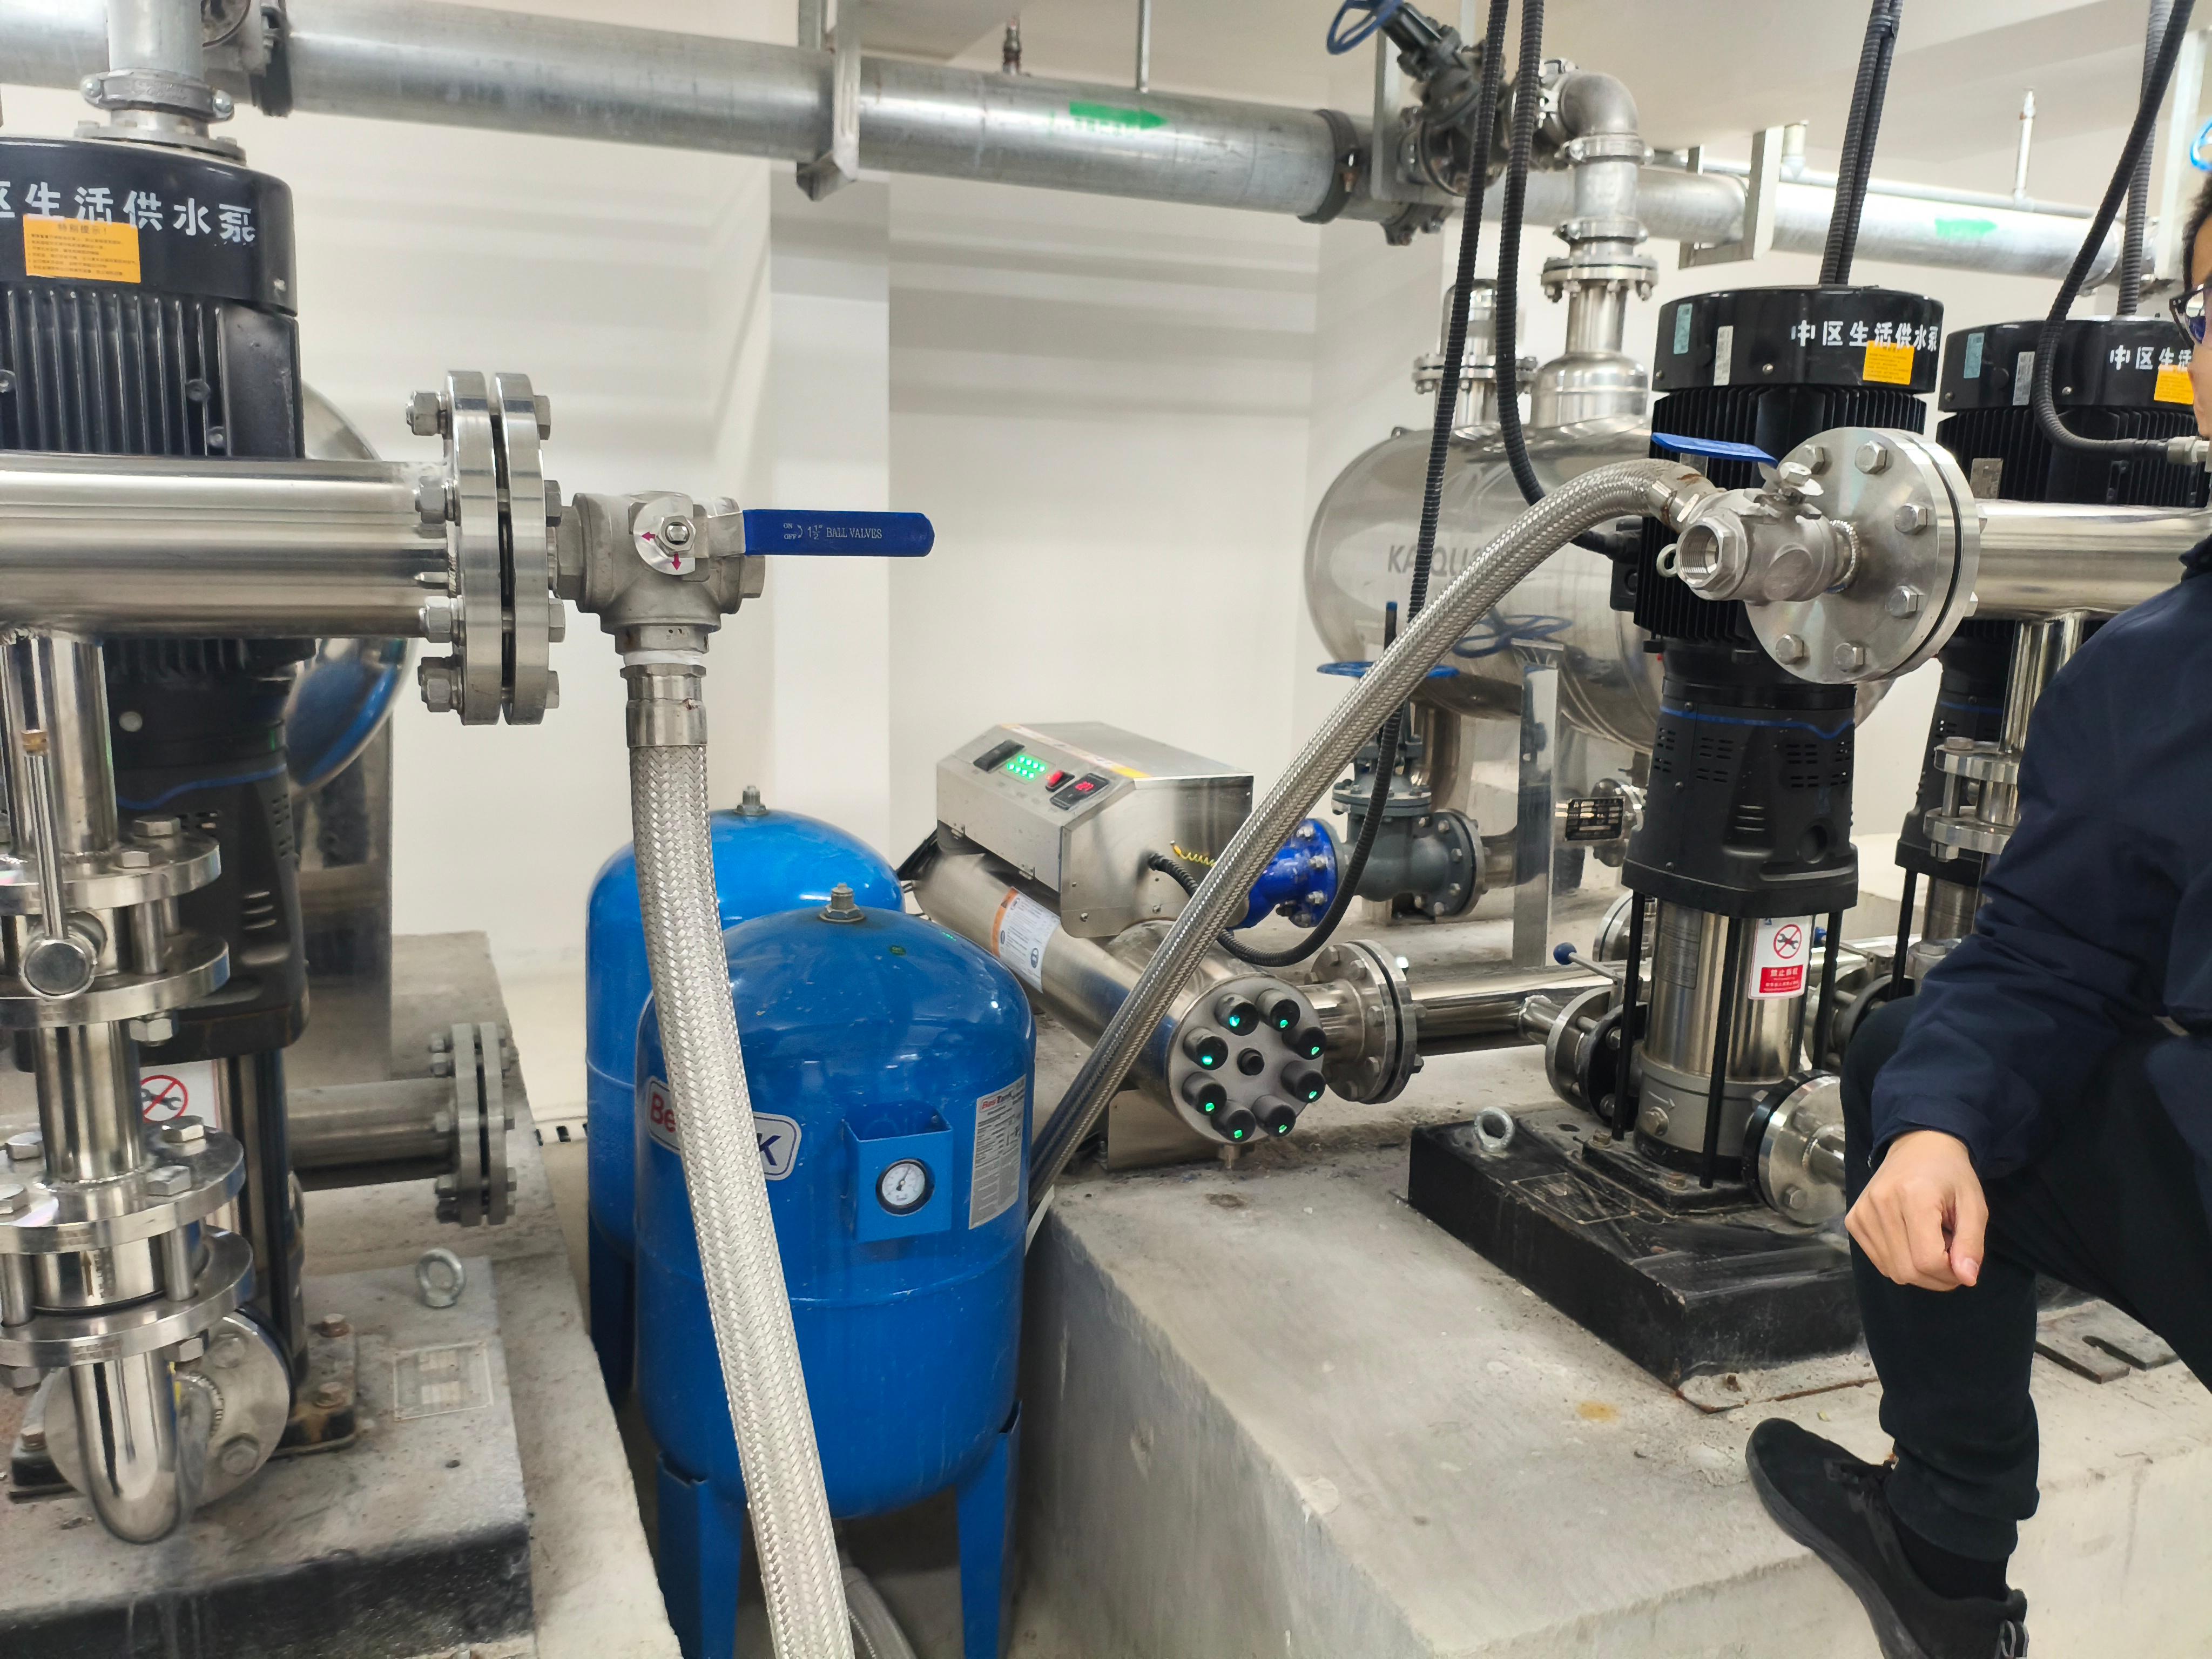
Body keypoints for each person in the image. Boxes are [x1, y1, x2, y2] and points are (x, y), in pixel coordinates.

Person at [1743, 187, 2212, 1659]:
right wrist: (1940, 1122)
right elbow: (2052, 955)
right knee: (1917, 1058)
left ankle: (1945, 1544)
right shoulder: (2156, 672)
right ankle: (1943, 1553)